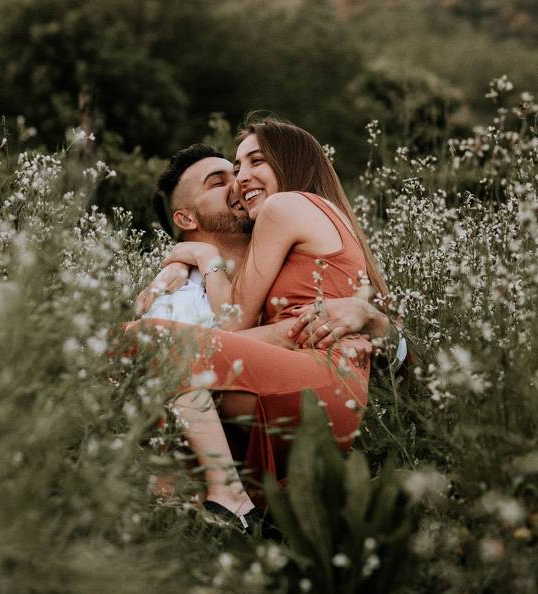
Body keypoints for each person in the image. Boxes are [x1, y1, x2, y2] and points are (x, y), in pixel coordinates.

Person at [126, 121, 402, 527]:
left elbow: (234, 322)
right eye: (237, 168)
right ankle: (212, 502)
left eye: (256, 161)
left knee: (149, 344)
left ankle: (231, 502)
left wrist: (200, 255)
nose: (241, 180)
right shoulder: (304, 222)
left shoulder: (283, 206)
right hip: (321, 388)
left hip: (318, 381)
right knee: (164, 379)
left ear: (289, 161)